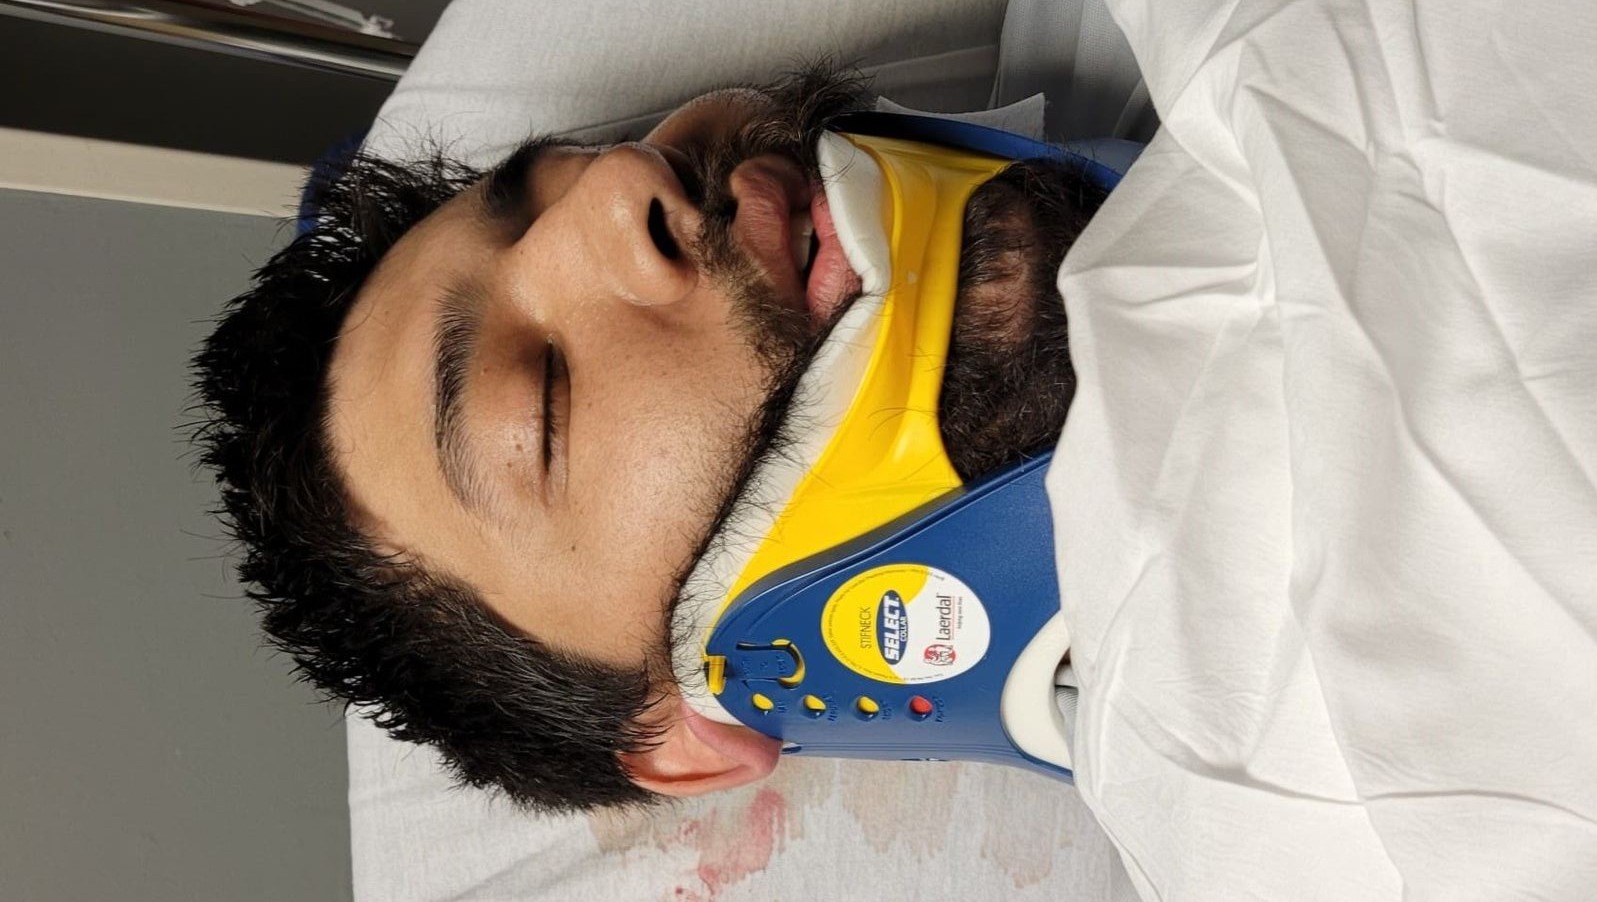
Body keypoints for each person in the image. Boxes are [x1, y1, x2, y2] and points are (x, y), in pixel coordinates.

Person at [197, 0, 1597, 898]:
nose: (626, 181)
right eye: (542, 406)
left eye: (560, 176)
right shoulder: (1341, 816)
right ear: (688, 729)